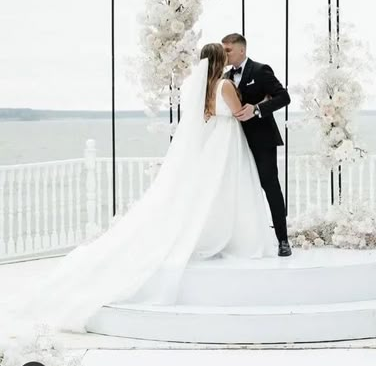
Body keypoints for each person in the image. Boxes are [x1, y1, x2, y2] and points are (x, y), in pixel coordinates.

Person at [9, 43, 275, 335]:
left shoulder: (201, 87)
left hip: (214, 142)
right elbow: (239, 113)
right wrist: (258, 101)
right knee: (229, 191)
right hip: (227, 142)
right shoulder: (224, 85)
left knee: (212, 193)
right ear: (219, 61)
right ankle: (228, 235)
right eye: (224, 55)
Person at [221, 33, 292, 256]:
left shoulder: (261, 70)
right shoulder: (224, 77)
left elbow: (283, 97)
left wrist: (258, 109)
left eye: (228, 50)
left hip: (263, 140)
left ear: (241, 50)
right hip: (236, 142)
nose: (225, 54)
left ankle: (283, 239)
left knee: (270, 187)